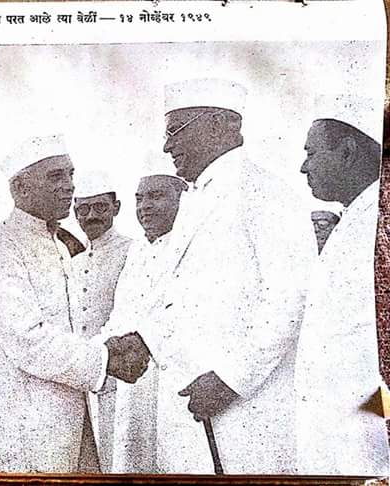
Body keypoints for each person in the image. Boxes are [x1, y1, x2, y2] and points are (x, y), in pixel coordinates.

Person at [110, 78, 315, 474]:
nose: (166, 146)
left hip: (244, 413)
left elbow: (290, 299)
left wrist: (230, 380)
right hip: (190, 411)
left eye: (175, 131)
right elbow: (178, 295)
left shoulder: (266, 192)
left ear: (219, 124)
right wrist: (142, 340)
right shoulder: (194, 199)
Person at [0, 134, 150, 473]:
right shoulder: (0, 245)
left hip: (63, 414)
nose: (69, 185)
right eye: (56, 176)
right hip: (12, 421)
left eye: (70, 174)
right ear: (20, 188)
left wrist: (108, 347)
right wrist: (105, 359)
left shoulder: (59, 245)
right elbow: (27, 340)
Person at [295, 97, 390, 475]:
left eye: (311, 153)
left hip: (370, 443)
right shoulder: (355, 217)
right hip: (340, 440)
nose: (303, 166)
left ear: (348, 152)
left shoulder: (380, 219)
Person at [106, 163, 188, 472]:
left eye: (155, 196)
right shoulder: (138, 250)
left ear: (181, 198)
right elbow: (121, 314)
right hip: (132, 379)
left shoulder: (191, 244)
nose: (145, 207)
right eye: (140, 199)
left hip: (172, 378)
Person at [70, 170, 132, 472]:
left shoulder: (132, 251)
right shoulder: (74, 263)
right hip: (82, 376)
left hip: (120, 375)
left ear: (116, 208)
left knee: (119, 457)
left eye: (100, 207)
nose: (91, 216)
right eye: (83, 209)